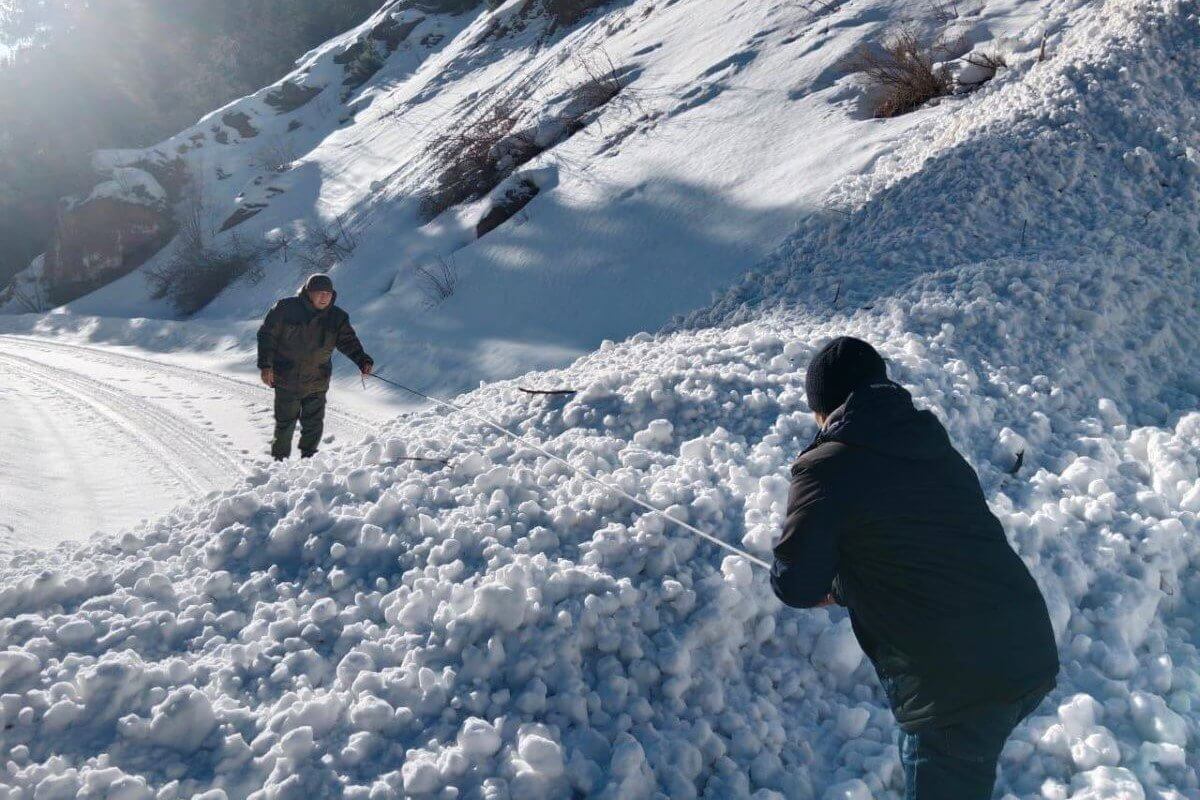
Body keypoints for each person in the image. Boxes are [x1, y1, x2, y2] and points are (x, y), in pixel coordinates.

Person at [771, 336, 1059, 800]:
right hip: (1027, 648)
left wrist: (828, 582)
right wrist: (851, 584)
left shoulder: (825, 465)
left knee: (942, 756)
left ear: (822, 408)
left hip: (957, 686)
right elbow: (917, 545)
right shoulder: (929, 442)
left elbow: (798, 584)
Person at [256, 273, 373, 460]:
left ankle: (309, 461)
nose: (324, 297)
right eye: (320, 292)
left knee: (313, 423)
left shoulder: (337, 317)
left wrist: (363, 361)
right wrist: (265, 366)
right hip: (287, 377)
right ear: (309, 292)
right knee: (285, 423)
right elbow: (266, 336)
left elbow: (348, 342)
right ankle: (279, 462)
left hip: (318, 379)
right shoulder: (285, 308)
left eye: (328, 293)